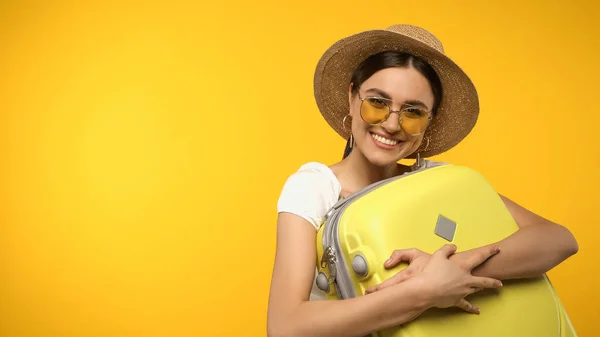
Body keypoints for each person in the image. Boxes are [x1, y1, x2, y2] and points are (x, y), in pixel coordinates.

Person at [266, 24, 579, 337]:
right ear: (351, 97)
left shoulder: (440, 182)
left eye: (412, 111)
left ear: (430, 121)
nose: (391, 124)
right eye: (376, 102)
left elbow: (559, 240)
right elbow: (285, 326)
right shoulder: (314, 186)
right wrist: (424, 291)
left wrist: (457, 268)